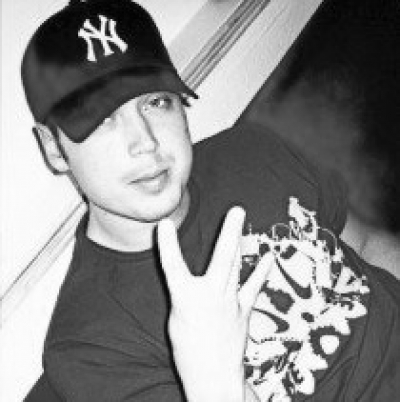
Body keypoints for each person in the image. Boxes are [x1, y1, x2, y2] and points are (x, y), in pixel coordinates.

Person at [21, 0, 400, 401]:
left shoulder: (252, 151)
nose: (145, 142)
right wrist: (215, 379)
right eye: (101, 120)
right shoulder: (91, 346)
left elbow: (367, 244)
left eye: (156, 102)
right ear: (54, 148)